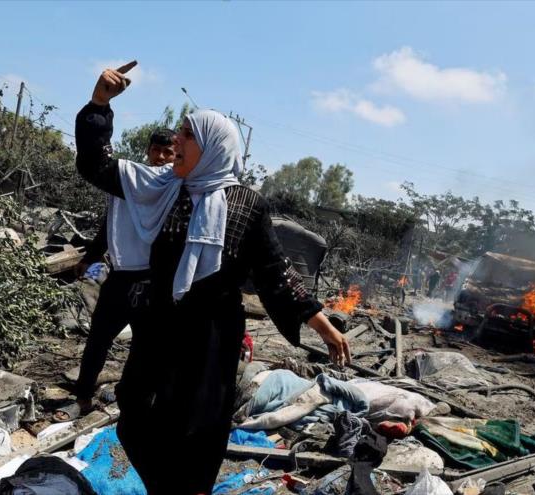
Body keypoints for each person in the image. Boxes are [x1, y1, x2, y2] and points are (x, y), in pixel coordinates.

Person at [75, 61, 351, 494]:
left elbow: (276, 273)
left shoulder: (244, 203)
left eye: (186, 135)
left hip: (211, 338)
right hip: (160, 323)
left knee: (196, 430)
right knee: (134, 415)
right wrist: (99, 104)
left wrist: (322, 324)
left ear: (211, 145)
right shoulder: (164, 188)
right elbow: (98, 165)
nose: (176, 142)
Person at [55, 128, 177, 423]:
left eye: (168, 152)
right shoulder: (129, 181)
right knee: (98, 338)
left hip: (153, 280)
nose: (160, 158)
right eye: (156, 150)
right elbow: (110, 223)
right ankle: (83, 397)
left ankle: (136, 404)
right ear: (148, 150)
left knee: (146, 348)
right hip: (121, 275)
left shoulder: (173, 186)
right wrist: (91, 257)